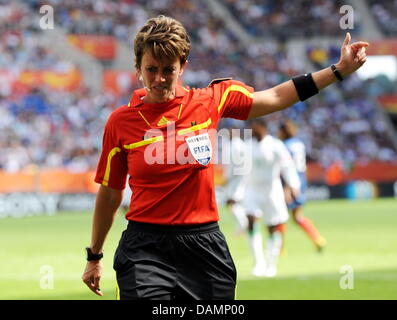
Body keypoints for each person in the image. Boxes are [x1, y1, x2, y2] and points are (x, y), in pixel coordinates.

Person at [82, 15, 368, 299]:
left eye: (168, 69)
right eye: (151, 69)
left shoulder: (211, 100)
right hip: (145, 249)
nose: (159, 79)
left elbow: (278, 97)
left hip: (204, 248)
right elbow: (109, 193)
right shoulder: (120, 122)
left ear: (183, 67)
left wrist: (338, 70)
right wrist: (94, 255)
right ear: (137, 67)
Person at [244, 118, 301, 277]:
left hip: (272, 190)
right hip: (253, 190)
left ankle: (271, 264)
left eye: (254, 128)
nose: (252, 131)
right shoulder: (248, 145)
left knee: (273, 226)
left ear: (263, 128)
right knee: (251, 222)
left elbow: (287, 166)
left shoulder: (275, 145)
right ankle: (258, 262)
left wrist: (292, 186)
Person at [278, 120, 326, 252]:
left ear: (282, 132)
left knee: (279, 217)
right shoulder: (299, 144)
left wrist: (287, 187)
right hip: (301, 181)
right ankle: (317, 239)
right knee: (297, 217)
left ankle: (279, 249)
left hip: (289, 184)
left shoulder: (284, 146)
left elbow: (288, 168)